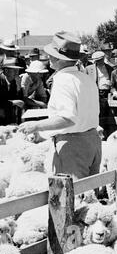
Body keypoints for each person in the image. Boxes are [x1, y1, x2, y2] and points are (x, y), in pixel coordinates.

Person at [18, 31, 101, 181]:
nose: (48, 57)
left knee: (69, 197)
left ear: (58, 57)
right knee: (90, 195)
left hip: (73, 147)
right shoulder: (86, 78)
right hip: (93, 141)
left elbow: (67, 118)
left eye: (51, 54)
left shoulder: (63, 80)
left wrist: (36, 126)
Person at [0, 57, 24, 125]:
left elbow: (19, 100)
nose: (17, 73)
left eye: (18, 70)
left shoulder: (13, 81)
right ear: (6, 71)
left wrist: (19, 86)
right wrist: (13, 102)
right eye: (15, 70)